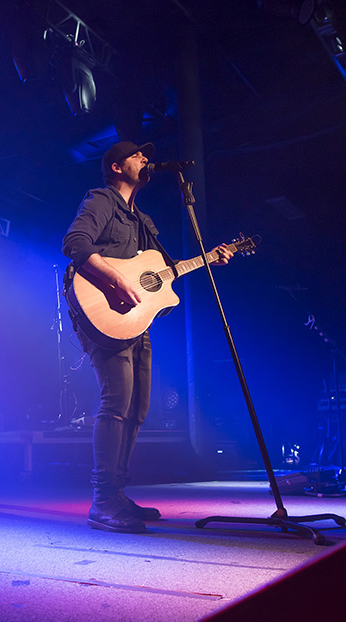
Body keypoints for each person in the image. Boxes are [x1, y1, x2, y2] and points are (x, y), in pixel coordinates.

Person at [62, 141, 232, 533]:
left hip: (136, 321)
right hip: (102, 312)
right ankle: (102, 500)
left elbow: (164, 271)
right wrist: (116, 279)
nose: (146, 159)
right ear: (117, 167)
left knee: (138, 408)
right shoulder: (102, 199)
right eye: (138, 155)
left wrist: (212, 256)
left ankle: (117, 494)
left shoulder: (144, 221)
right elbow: (75, 243)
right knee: (117, 402)